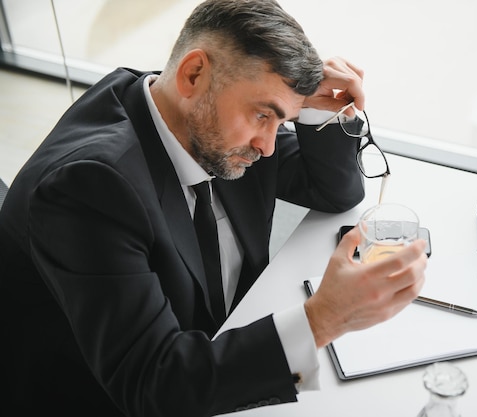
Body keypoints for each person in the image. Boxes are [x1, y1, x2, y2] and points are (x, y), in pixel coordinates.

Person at [0, 1, 428, 416]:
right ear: (193, 74)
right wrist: (323, 319)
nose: (268, 146)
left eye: (283, 122)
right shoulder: (90, 188)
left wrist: (306, 111)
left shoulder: (209, 121)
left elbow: (332, 192)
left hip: (221, 352)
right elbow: (155, 386)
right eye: (264, 115)